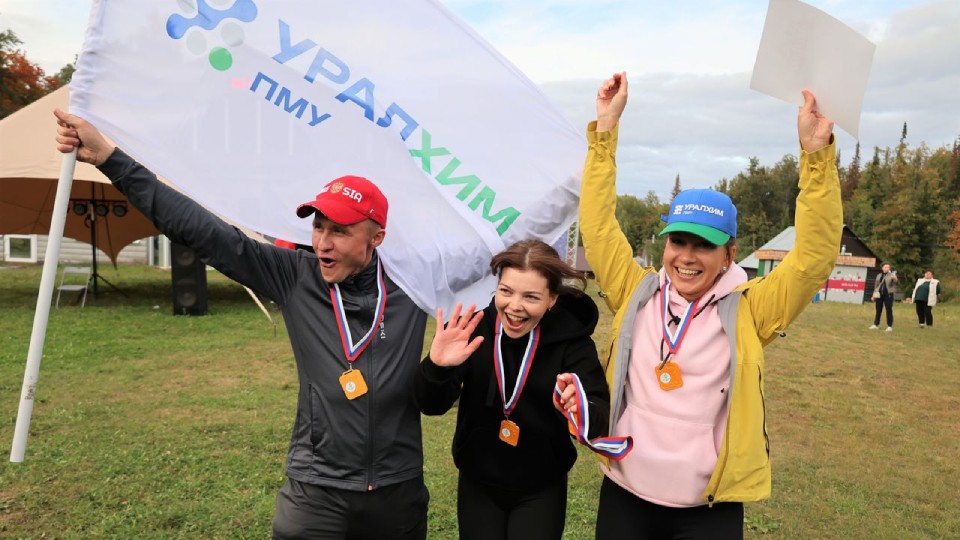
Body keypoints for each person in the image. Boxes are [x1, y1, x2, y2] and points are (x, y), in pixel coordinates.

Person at [54, 109, 431, 539]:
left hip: (396, 490)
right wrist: (110, 159)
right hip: (316, 490)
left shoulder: (414, 283)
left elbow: (489, 261)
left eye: (340, 232)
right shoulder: (295, 275)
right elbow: (206, 233)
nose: (322, 244)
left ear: (376, 237)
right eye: (318, 227)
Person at [574, 72, 841, 539]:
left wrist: (816, 157)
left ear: (729, 254)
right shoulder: (636, 291)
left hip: (707, 508)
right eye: (678, 241)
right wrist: (605, 133)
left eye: (704, 245)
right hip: (626, 494)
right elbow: (597, 229)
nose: (687, 257)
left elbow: (813, 258)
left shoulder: (750, 309)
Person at [412, 240, 609, 540]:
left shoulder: (572, 342)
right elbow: (430, 405)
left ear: (552, 299)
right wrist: (437, 367)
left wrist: (580, 409)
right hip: (478, 483)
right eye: (506, 291)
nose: (515, 306)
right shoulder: (475, 330)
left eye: (531, 297)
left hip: (541, 487)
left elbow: (598, 414)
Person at [870, 263, 899, 332]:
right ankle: (876, 324)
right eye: (885, 267)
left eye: (888, 267)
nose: (887, 268)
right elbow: (876, 286)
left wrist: (895, 278)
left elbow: (896, 283)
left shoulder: (892, 275)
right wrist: (873, 295)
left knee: (888, 309)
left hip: (888, 294)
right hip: (879, 294)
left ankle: (889, 326)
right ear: (882, 268)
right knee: (878, 309)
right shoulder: (879, 275)